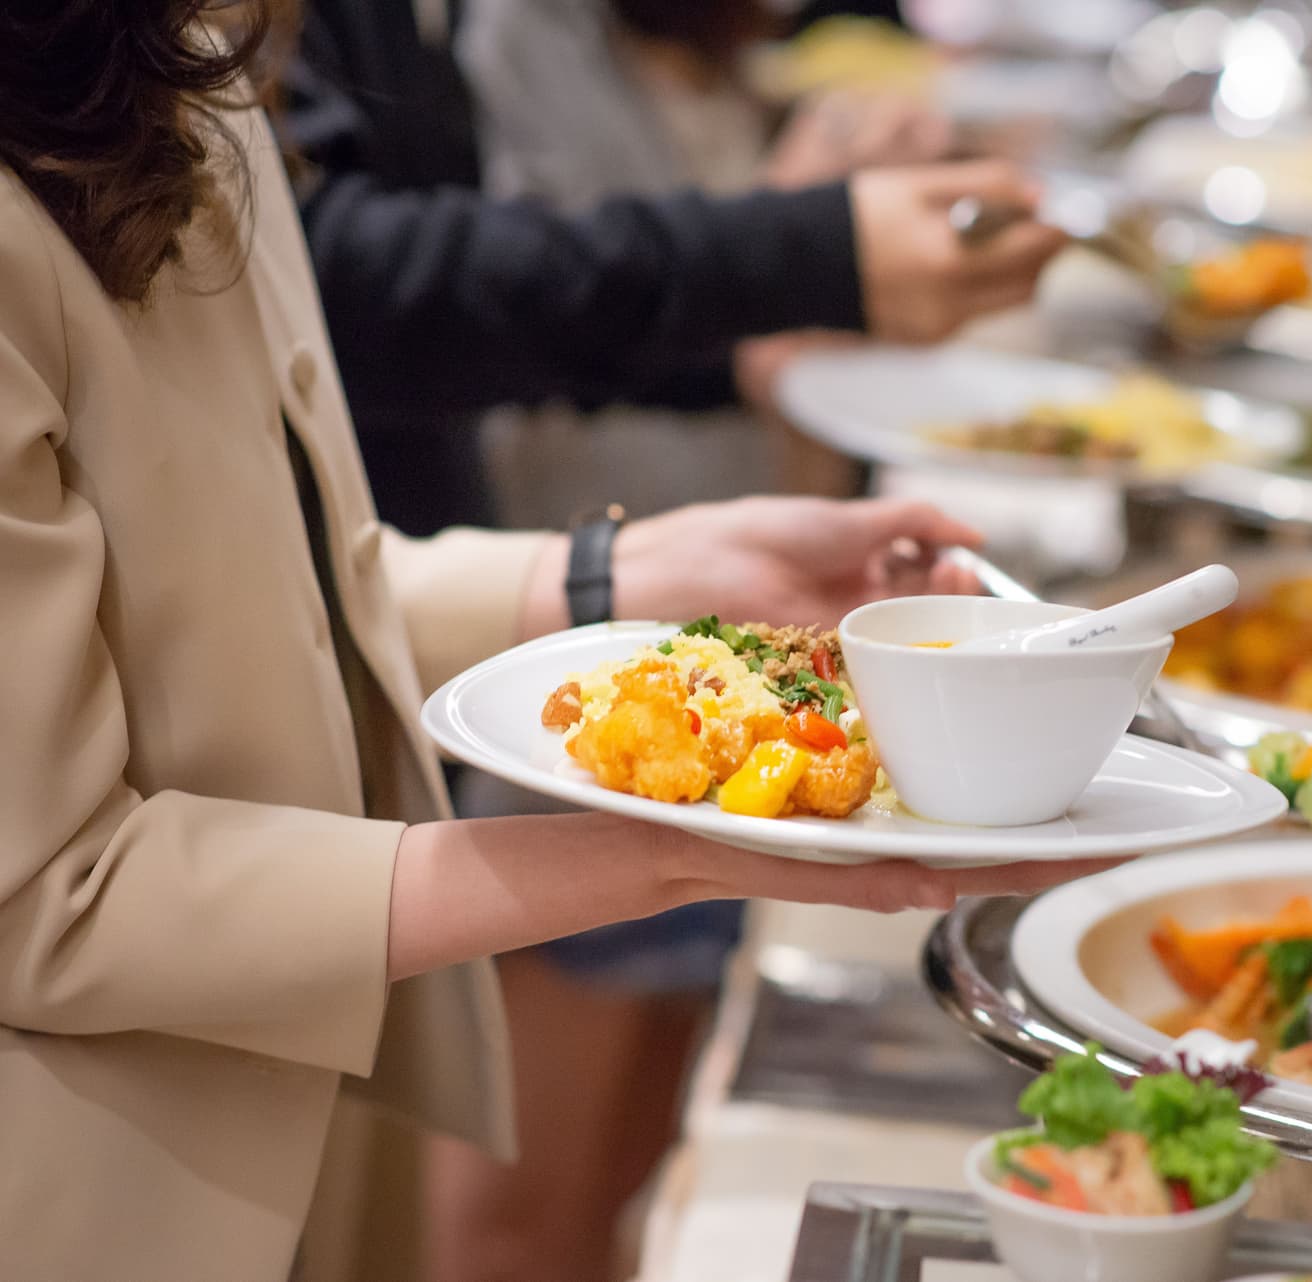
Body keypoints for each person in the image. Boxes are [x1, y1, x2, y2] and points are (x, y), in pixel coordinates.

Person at [0, 6, 1114, 1281]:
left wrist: (614, 575)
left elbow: (253, 594)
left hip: (293, 1090)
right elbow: (49, 900)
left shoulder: (200, 78)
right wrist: (656, 854)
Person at [435, 5, 960, 1279]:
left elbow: (789, 399)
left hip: (743, 683)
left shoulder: (739, 65)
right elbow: (517, 337)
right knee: (521, 1194)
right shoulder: (516, 55)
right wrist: (787, 241)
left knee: (648, 1153)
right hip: (580, 676)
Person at [277, 0, 1064, 535]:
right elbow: (348, 291)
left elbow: (539, 300)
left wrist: (771, 317)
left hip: (498, 547)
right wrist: (797, 250)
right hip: (427, 552)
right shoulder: (519, 34)